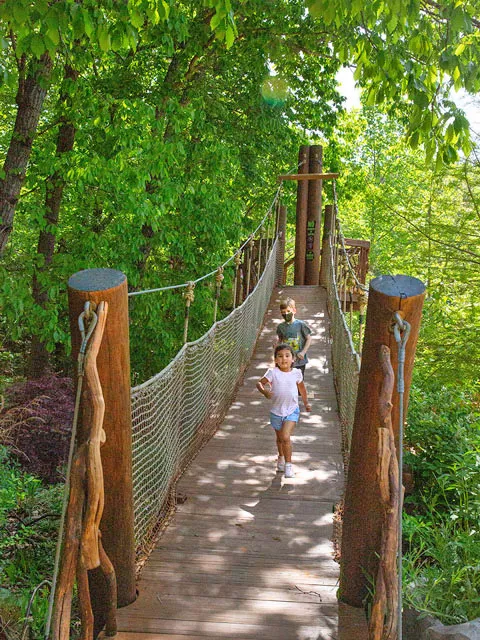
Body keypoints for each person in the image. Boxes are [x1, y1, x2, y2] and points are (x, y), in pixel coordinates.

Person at [256, 343, 311, 478]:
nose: (283, 359)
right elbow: (259, 383)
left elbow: (302, 389)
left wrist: (306, 403)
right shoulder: (272, 373)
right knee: (280, 438)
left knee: (285, 437)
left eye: (287, 356)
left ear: (293, 359)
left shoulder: (296, 373)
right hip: (276, 411)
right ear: (275, 359)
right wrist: (265, 392)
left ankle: (288, 466)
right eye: (279, 356)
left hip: (292, 410)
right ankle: (280, 457)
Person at [275, 297, 313, 379]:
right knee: (285, 381)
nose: (286, 314)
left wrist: (303, 352)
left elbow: (309, 338)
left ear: (294, 311)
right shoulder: (281, 327)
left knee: (298, 382)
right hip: (286, 360)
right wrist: (277, 347)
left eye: (288, 311)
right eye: (283, 312)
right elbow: (280, 340)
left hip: (299, 360)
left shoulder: (301, 324)